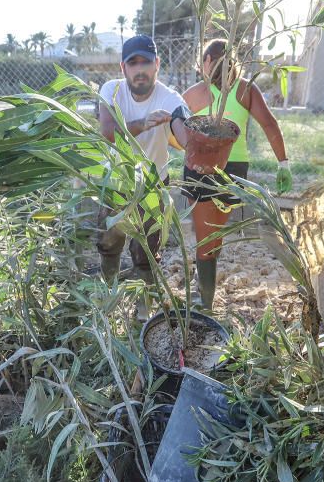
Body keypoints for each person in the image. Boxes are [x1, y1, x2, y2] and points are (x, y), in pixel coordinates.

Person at [181, 39, 289, 311]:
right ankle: (204, 290)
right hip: (235, 169)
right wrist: (283, 163)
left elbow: (175, 134)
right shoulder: (246, 90)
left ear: (206, 62)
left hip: (202, 169)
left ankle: (204, 303)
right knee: (214, 235)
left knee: (206, 239)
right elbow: (269, 124)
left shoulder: (194, 94)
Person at [96, 34, 190, 289]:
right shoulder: (111, 89)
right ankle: (110, 294)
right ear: (123, 67)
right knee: (109, 243)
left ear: (157, 64)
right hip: (117, 181)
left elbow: (183, 127)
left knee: (147, 250)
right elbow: (107, 132)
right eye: (133, 63)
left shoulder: (169, 97)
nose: (140, 70)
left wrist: (193, 144)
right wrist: (142, 123)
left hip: (153, 185)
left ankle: (144, 304)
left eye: (145, 63)